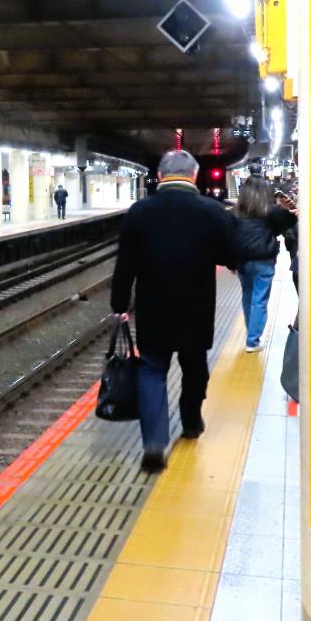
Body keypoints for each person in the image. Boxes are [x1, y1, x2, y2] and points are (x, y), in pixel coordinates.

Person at [110, 150, 235, 472]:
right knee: (195, 368)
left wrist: (119, 306)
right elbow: (230, 254)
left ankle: (154, 442)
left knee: (151, 370)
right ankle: (191, 421)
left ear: (160, 175)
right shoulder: (212, 211)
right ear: (194, 175)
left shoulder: (139, 212)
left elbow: (125, 266)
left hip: (154, 308)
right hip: (197, 307)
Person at [233, 177, 297, 353]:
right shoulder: (270, 211)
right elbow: (289, 221)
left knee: (248, 296)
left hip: (242, 262)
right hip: (263, 260)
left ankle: (251, 335)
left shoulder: (235, 213)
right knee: (259, 299)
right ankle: (253, 341)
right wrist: (284, 206)